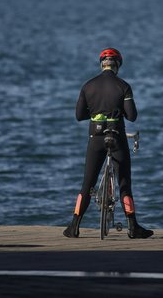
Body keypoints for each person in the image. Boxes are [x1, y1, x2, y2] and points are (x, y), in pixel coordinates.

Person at [63, 48, 153, 239]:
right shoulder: (124, 86)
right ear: (117, 65)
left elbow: (79, 116)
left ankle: (74, 226)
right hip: (117, 136)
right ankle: (133, 227)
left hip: (95, 139)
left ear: (101, 64)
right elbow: (132, 116)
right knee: (124, 184)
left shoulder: (87, 86)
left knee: (87, 183)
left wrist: (96, 114)